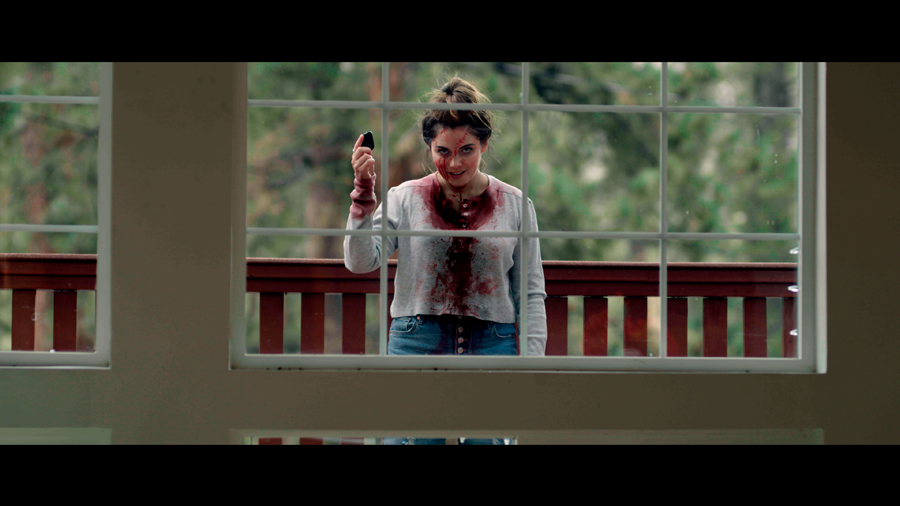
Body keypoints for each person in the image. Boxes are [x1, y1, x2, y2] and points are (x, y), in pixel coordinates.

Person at [343, 77, 547, 445]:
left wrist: (531, 367)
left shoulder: (516, 205)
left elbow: (530, 293)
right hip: (416, 342)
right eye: (442, 150)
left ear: (485, 143)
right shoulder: (405, 198)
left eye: (467, 149)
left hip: (493, 345)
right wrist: (363, 192)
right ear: (429, 146)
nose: (454, 162)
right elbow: (361, 261)